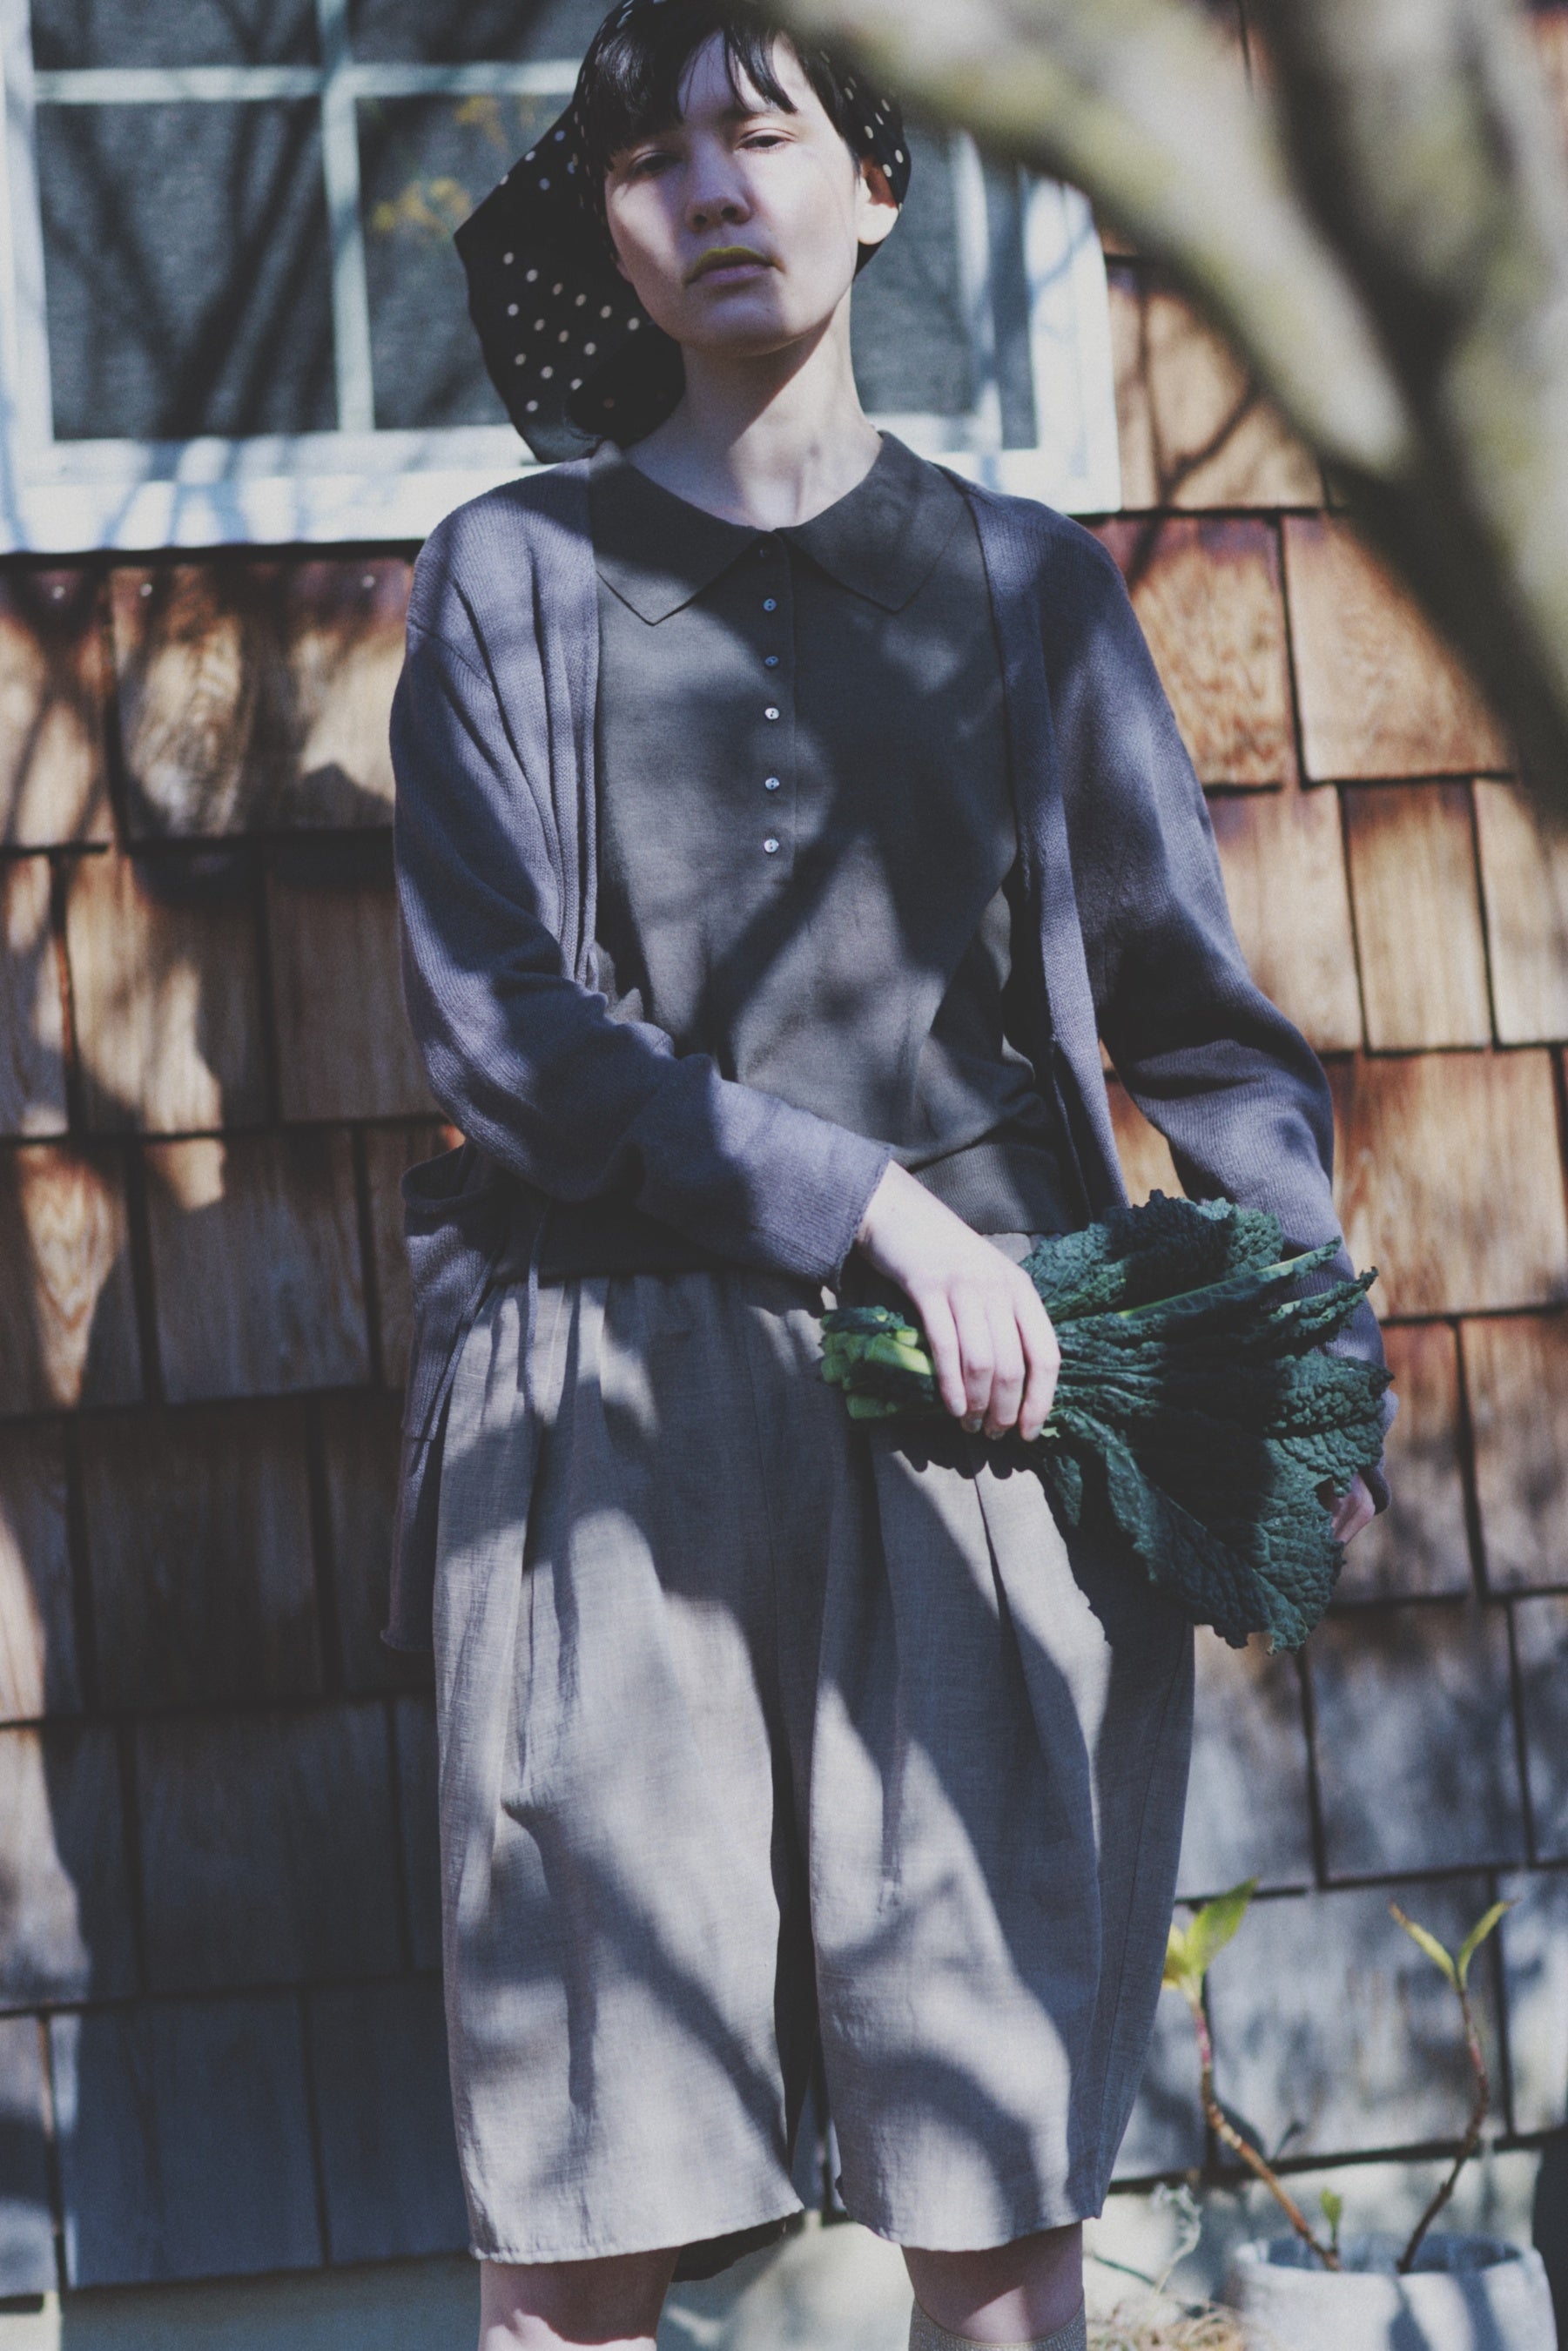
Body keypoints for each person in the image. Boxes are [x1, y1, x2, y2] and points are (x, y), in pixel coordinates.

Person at [388, 7, 1387, 2348]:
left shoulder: (1026, 594)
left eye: (762, 131)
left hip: (986, 1420)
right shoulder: (511, 579)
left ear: (878, 184)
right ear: (607, 226)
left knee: (994, 2195)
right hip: (604, 1427)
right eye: (647, 156)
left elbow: (1199, 1022)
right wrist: (865, 1205)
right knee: (579, 2195)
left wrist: (1303, 1360)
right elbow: (505, 1030)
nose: (710, 189)